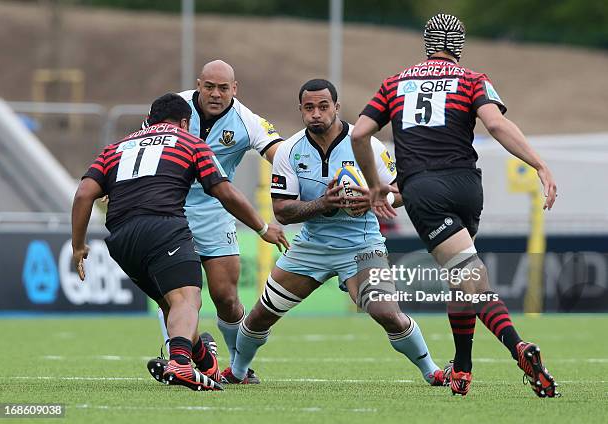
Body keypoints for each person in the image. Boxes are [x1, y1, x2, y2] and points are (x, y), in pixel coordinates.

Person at [351, 14, 559, 397]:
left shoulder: (394, 82)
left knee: (470, 278)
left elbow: (361, 132)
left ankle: (519, 348)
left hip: (424, 189)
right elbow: (495, 126)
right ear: (458, 46)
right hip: (467, 186)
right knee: (461, 278)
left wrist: (377, 186)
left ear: (426, 43)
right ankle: (462, 368)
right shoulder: (472, 79)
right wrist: (539, 163)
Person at [221, 79, 447, 387]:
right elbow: (283, 211)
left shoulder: (365, 142)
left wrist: (373, 198)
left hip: (362, 244)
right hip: (312, 246)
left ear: (336, 108)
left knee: (386, 312)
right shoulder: (289, 150)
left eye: (323, 107)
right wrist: (323, 204)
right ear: (300, 110)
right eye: (309, 108)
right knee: (260, 316)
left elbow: (403, 191)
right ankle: (237, 373)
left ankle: (432, 371)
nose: (316, 114)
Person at [71, 93, 288, 391]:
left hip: (120, 238)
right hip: (162, 227)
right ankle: (180, 364)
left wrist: (78, 245)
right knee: (188, 300)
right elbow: (225, 192)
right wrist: (263, 228)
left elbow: (84, 194)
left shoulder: (117, 147)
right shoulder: (190, 142)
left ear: (150, 118)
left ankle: (206, 362)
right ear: (185, 122)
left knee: (174, 307)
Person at [145, 60, 283, 383]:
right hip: (171, 211)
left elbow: (280, 154)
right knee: (173, 296)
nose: (216, 94)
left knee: (226, 296)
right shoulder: (173, 109)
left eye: (223, 88)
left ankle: (238, 366)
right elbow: (141, 143)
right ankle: (178, 358)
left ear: (235, 89)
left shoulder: (247, 121)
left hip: (217, 211)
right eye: (209, 87)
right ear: (198, 85)